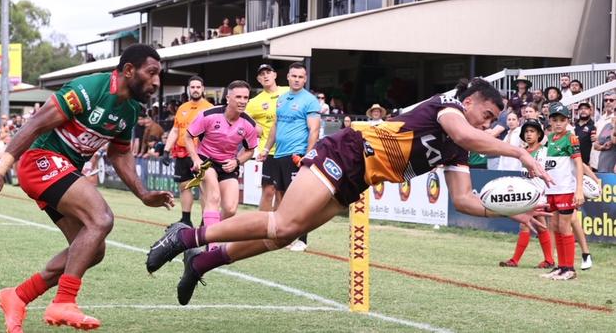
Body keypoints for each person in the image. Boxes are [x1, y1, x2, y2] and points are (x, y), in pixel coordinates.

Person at [144, 78, 552, 305]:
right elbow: (468, 132)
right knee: (283, 221)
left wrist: (512, 211)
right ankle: (186, 237)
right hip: (347, 149)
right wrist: (519, 153)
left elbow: (464, 199)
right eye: (487, 115)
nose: (487, 124)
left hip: (360, 178)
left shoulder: (461, 145)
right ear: (470, 101)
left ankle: (202, 264)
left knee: (283, 236)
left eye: (494, 120)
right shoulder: (448, 108)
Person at [0, 44, 175, 331]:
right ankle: (64, 302)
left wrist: (143, 194)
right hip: (39, 162)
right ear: (129, 70)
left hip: (62, 173)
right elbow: (34, 125)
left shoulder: (130, 110)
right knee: (101, 218)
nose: (157, 81)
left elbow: (119, 154)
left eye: (159, 74)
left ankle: (17, 296)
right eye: (152, 72)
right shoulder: (90, 88)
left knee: (93, 250)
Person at [161, 80, 258, 254]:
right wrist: (196, 159)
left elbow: (250, 150)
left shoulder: (249, 124)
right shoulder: (209, 115)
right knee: (213, 197)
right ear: (228, 98)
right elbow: (189, 137)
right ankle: (211, 245)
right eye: (238, 97)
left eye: (246, 97)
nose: (243, 101)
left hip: (228, 164)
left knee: (230, 209)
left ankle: (203, 232)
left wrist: (237, 161)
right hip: (206, 161)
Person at [257, 62, 320, 252]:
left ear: (305, 78)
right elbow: (275, 127)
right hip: (279, 154)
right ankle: (286, 236)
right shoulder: (282, 99)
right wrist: (267, 149)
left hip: (297, 154)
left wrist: (307, 156)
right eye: (294, 76)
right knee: (282, 196)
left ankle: (303, 239)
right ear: (288, 77)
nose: (297, 79)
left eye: (301, 77)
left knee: (299, 199)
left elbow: (314, 129)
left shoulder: (310, 100)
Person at [499, 119, 554, 268]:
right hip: (527, 194)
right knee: (540, 226)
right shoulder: (523, 152)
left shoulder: (544, 150)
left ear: (539, 134)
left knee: (526, 225)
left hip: (537, 194)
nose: (529, 134)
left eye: (532, 131)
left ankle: (515, 260)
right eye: (526, 132)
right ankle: (549, 260)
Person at [539, 102, 583, 280]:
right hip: (552, 190)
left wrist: (578, 189)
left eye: (562, 120)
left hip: (565, 189)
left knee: (565, 227)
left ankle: (570, 268)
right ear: (550, 121)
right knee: (555, 226)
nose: (558, 123)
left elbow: (579, 164)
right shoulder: (550, 139)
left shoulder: (571, 138)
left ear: (567, 121)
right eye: (555, 120)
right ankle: (561, 267)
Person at [161, 76, 213, 226]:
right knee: (184, 186)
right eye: (192, 87)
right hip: (182, 152)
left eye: (198, 87)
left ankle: (205, 221)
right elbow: (175, 130)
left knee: (204, 188)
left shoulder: (209, 108)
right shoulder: (182, 108)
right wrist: (166, 150)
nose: (195, 90)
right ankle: (186, 219)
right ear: (189, 89)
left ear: (203, 89)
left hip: (201, 153)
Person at [245, 64, 289, 212]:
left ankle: (278, 229)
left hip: (289, 148)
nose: (265, 76)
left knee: (282, 192)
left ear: (275, 75)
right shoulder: (254, 102)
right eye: (261, 74)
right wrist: (254, 127)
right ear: (258, 79)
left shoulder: (288, 91)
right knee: (268, 190)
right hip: (269, 151)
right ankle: (261, 228)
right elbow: (242, 120)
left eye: (268, 72)